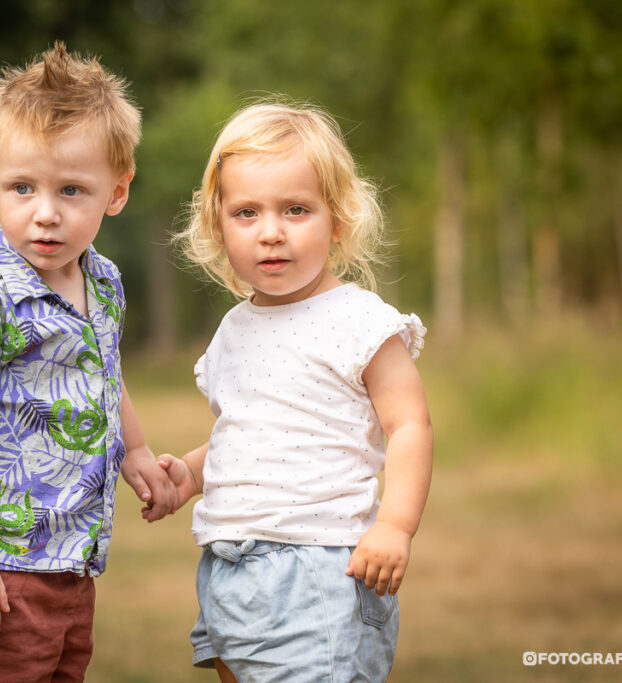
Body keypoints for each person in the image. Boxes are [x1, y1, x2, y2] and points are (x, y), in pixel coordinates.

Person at [0, 42, 175, 682]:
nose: (46, 213)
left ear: (117, 190)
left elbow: (103, 370)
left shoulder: (102, 279)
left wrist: (134, 451)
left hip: (67, 565)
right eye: (21, 187)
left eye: (72, 190)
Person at [155, 99, 434, 682]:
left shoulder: (359, 320)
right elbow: (252, 433)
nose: (272, 233)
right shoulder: (234, 328)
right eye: (247, 213)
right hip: (227, 570)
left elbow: (408, 425)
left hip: (322, 571)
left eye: (296, 209)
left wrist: (395, 526)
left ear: (337, 220)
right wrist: (190, 474)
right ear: (218, 226)